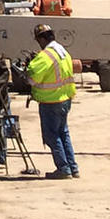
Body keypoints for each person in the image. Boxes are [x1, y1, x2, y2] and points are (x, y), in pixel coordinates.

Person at [26, 21, 79, 178]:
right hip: (65, 99)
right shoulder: (62, 51)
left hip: (51, 101)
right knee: (63, 133)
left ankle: (63, 169)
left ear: (42, 39)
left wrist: (28, 67)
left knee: (52, 135)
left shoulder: (46, 55)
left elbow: (31, 79)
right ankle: (72, 168)